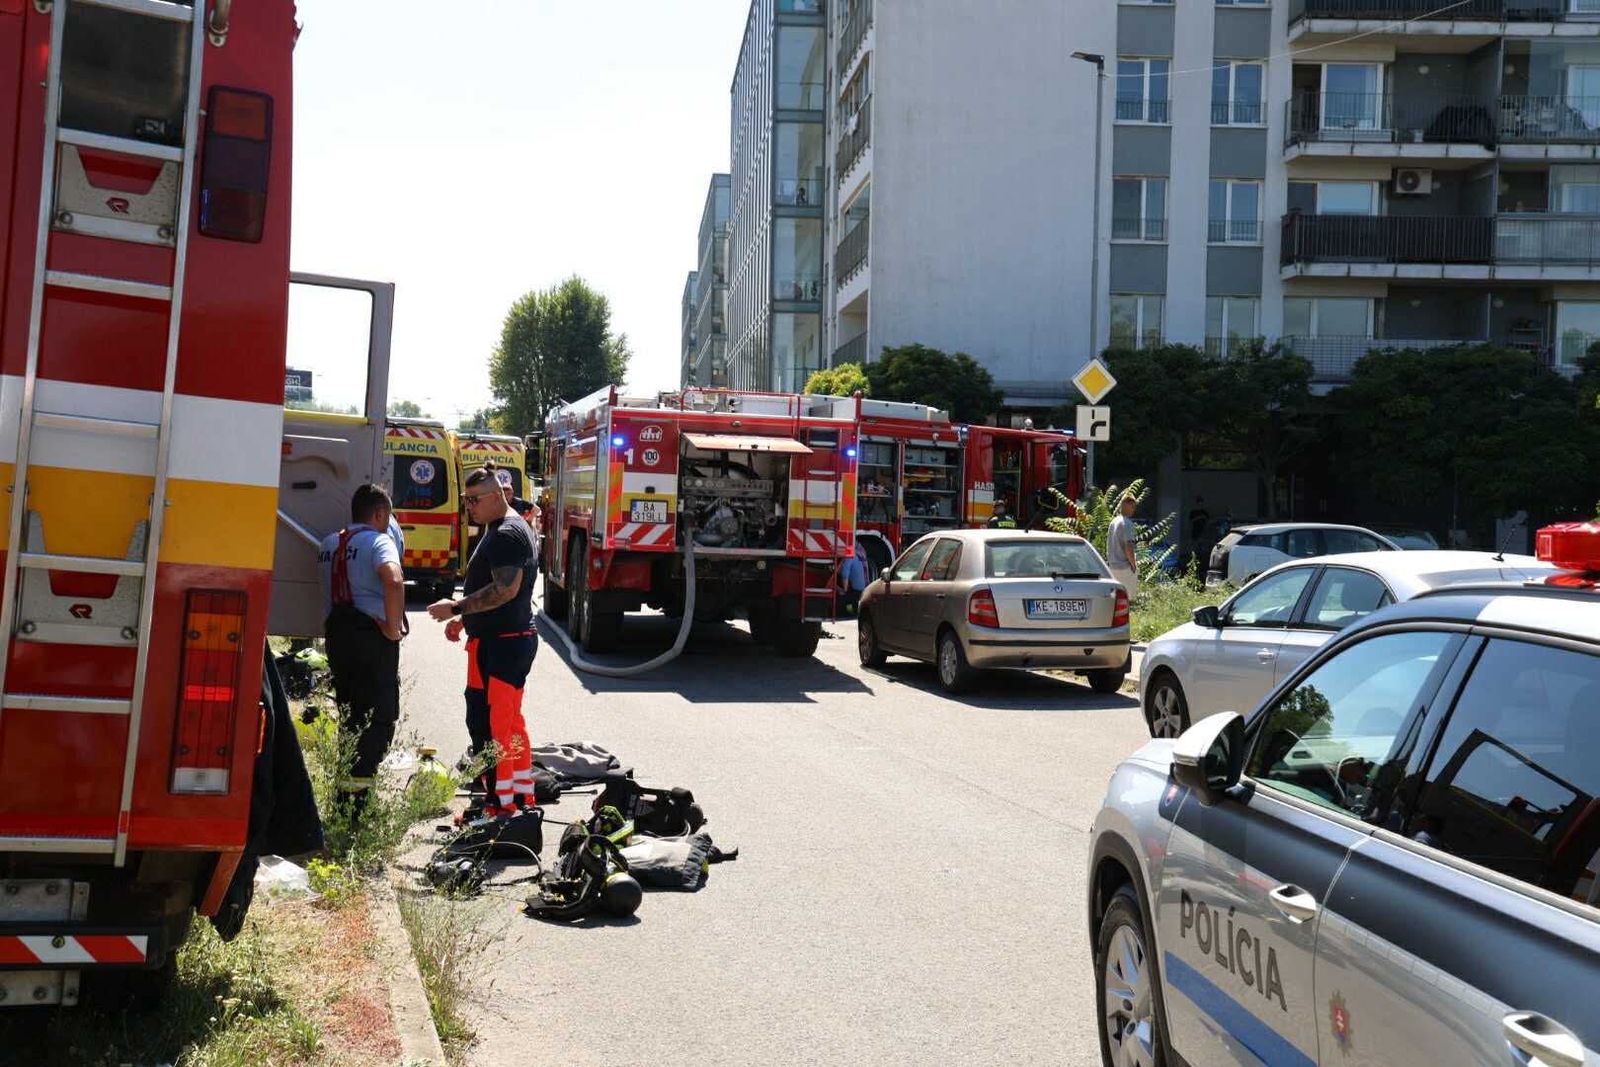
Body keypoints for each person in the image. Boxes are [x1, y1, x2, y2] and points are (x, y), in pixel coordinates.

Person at [428, 466, 539, 814]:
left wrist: (457, 607)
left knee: (494, 728)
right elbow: (491, 587)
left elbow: (506, 589)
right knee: (500, 723)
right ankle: (518, 796)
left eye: (474, 500)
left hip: (505, 644)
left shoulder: (507, 533)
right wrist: (465, 620)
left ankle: (502, 807)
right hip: (495, 640)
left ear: (497, 497)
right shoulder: (498, 529)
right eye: (465, 501)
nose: (469, 507)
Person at [317, 484, 405, 817]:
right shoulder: (378, 541)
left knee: (350, 718)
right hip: (371, 641)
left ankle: (343, 804)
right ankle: (359, 809)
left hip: (338, 640)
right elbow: (393, 579)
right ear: (380, 513)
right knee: (377, 722)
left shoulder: (329, 543)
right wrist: (393, 628)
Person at [1107, 493, 1140, 598]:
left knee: (1115, 601)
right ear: (1127, 505)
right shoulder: (1127, 523)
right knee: (1127, 600)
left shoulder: (1114, 522)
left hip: (1112, 567)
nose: (1134, 510)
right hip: (1124, 568)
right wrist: (1133, 565)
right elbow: (1129, 546)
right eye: (1133, 506)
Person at [837, 539, 869, 615]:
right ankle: (855, 608)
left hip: (857, 592)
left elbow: (844, 573)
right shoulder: (862, 553)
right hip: (866, 590)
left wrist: (844, 590)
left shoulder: (850, 555)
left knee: (840, 599)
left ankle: (847, 611)